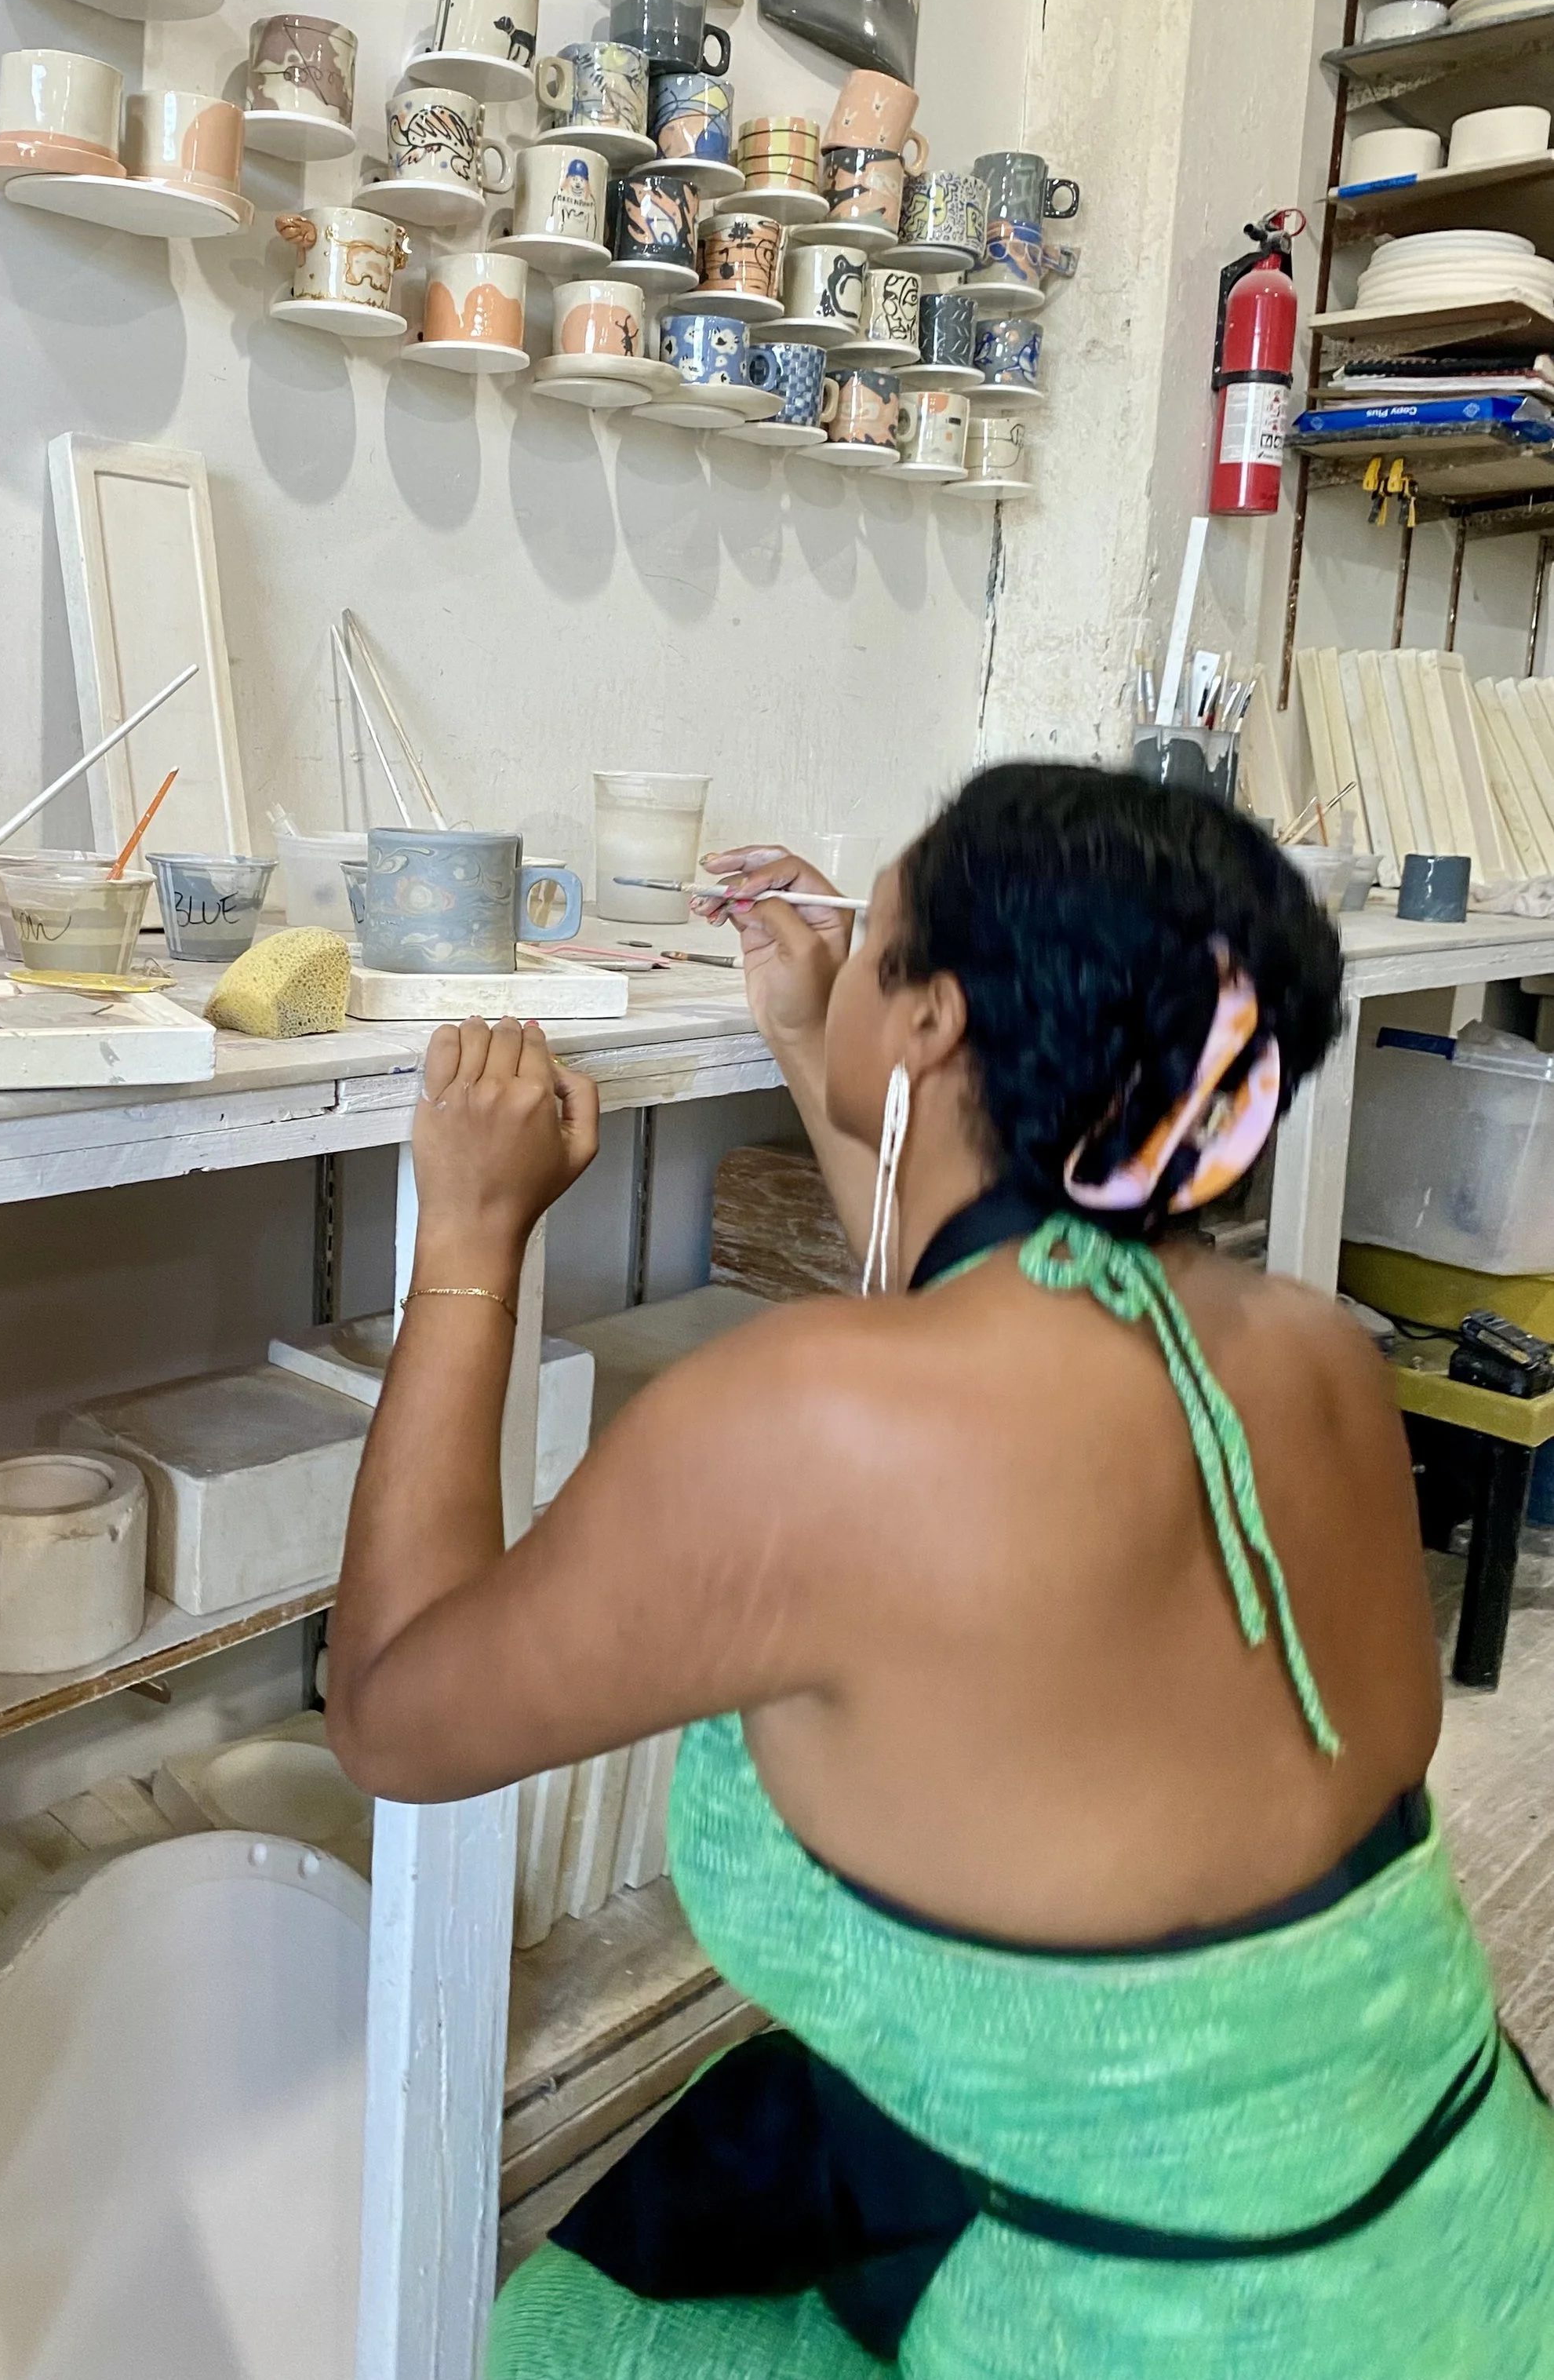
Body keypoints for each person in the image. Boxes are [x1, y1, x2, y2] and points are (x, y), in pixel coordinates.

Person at [328, 763, 1554, 2378]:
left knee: (568, 2332)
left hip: (1171, 2329)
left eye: (871, 935)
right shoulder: (1308, 1355)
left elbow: (392, 1710)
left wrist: (469, 1240)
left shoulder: (806, 1427)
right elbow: (1000, 1320)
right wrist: (803, 1039)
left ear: (926, 1022)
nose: (839, 954)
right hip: (1468, 2234)